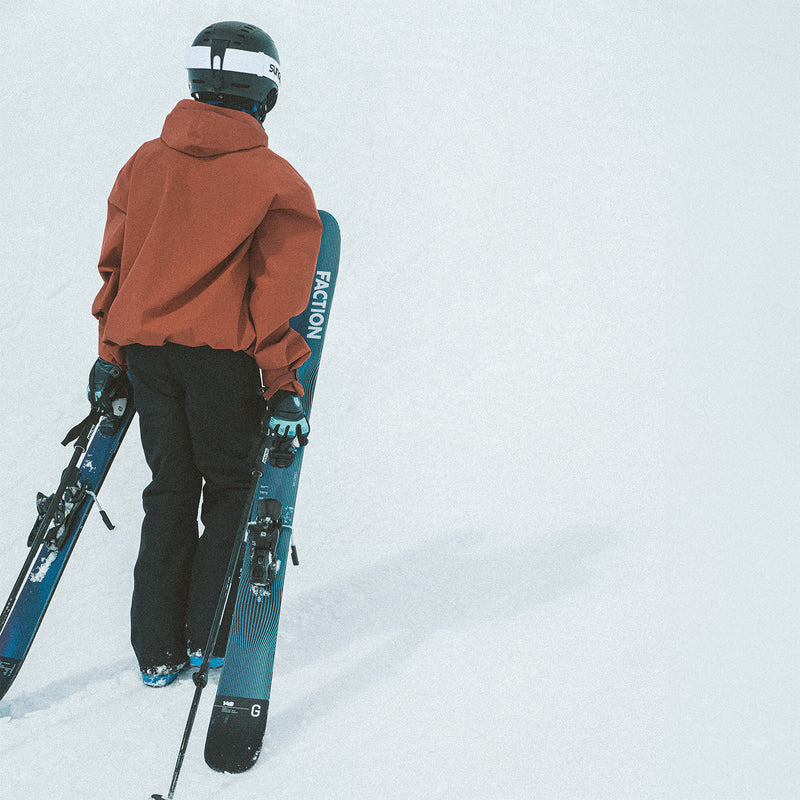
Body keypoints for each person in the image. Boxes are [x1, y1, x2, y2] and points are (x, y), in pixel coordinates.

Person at [87, 21, 323, 687]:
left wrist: (111, 355)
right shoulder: (277, 184)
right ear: (265, 94)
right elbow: (274, 299)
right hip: (222, 362)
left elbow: (117, 266)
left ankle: (156, 650)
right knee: (231, 488)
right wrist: (282, 384)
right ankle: (209, 638)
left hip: (149, 357)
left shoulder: (145, 162)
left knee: (169, 490)